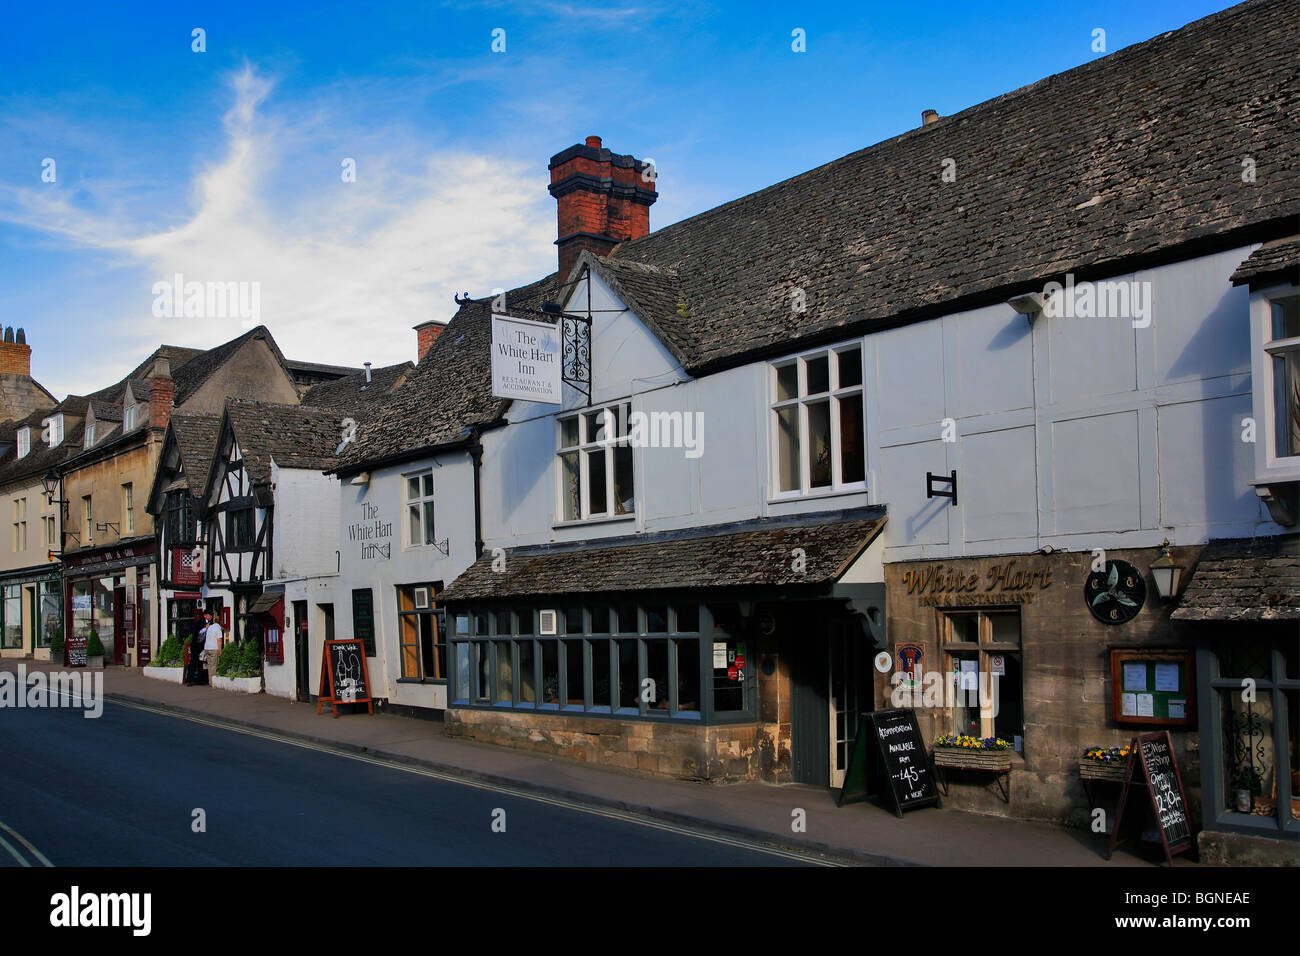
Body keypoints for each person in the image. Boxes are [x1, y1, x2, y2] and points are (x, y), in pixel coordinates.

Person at [202, 610, 225, 686]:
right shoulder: (218, 628)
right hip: (214, 648)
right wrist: (220, 651)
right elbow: (219, 640)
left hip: (207, 648)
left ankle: (210, 681)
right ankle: (213, 682)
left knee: (209, 666)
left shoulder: (210, 627)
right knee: (214, 666)